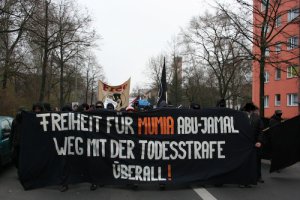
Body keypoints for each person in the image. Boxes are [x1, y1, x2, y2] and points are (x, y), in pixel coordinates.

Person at [243, 102, 265, 186]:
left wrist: (259, 141)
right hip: (245, 144)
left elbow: (261, 131)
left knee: (257, 160)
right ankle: (247, 177)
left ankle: (258, 176)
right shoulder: (241, 118)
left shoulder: (257, 119)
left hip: (255, 143)